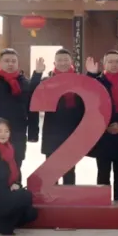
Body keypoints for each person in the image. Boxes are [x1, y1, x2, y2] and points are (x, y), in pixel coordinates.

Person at [0, 49, 45, 170]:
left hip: (17, 136)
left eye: (13, 61)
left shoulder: (24, 83)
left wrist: (33, 134)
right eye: (6, 61)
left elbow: (32, 109)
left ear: (18, 63)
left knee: (14, 170)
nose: (10, 64)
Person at [86, 52, 118, 201]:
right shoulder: (96, 83)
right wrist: (105, 125)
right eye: (110, 62)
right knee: (103, 171)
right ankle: (102, 204)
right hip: (103, 134)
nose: (114, 65)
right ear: (104, 64)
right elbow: (88, 101)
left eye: (117, 61)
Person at [0, 118, 38, 235]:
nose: (3, 134)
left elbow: (17, 174)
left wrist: (16, 184)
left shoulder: (10, 149)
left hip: (7, 194)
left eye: (6, 131)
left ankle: (1, 222)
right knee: (26, 196)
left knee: (31, 213)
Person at [39, 49, 83, 185]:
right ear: (54, 63)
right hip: (52, 131)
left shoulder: (80, 81)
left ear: (71, 62)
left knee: (70, 170)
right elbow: (33, 96)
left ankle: (69, 197)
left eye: (65, 60)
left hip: (72, 131)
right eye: (60, 60)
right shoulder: (47, 81)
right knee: (51, 171)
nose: (63, 63)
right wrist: (37, 73)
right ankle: (52, 197)